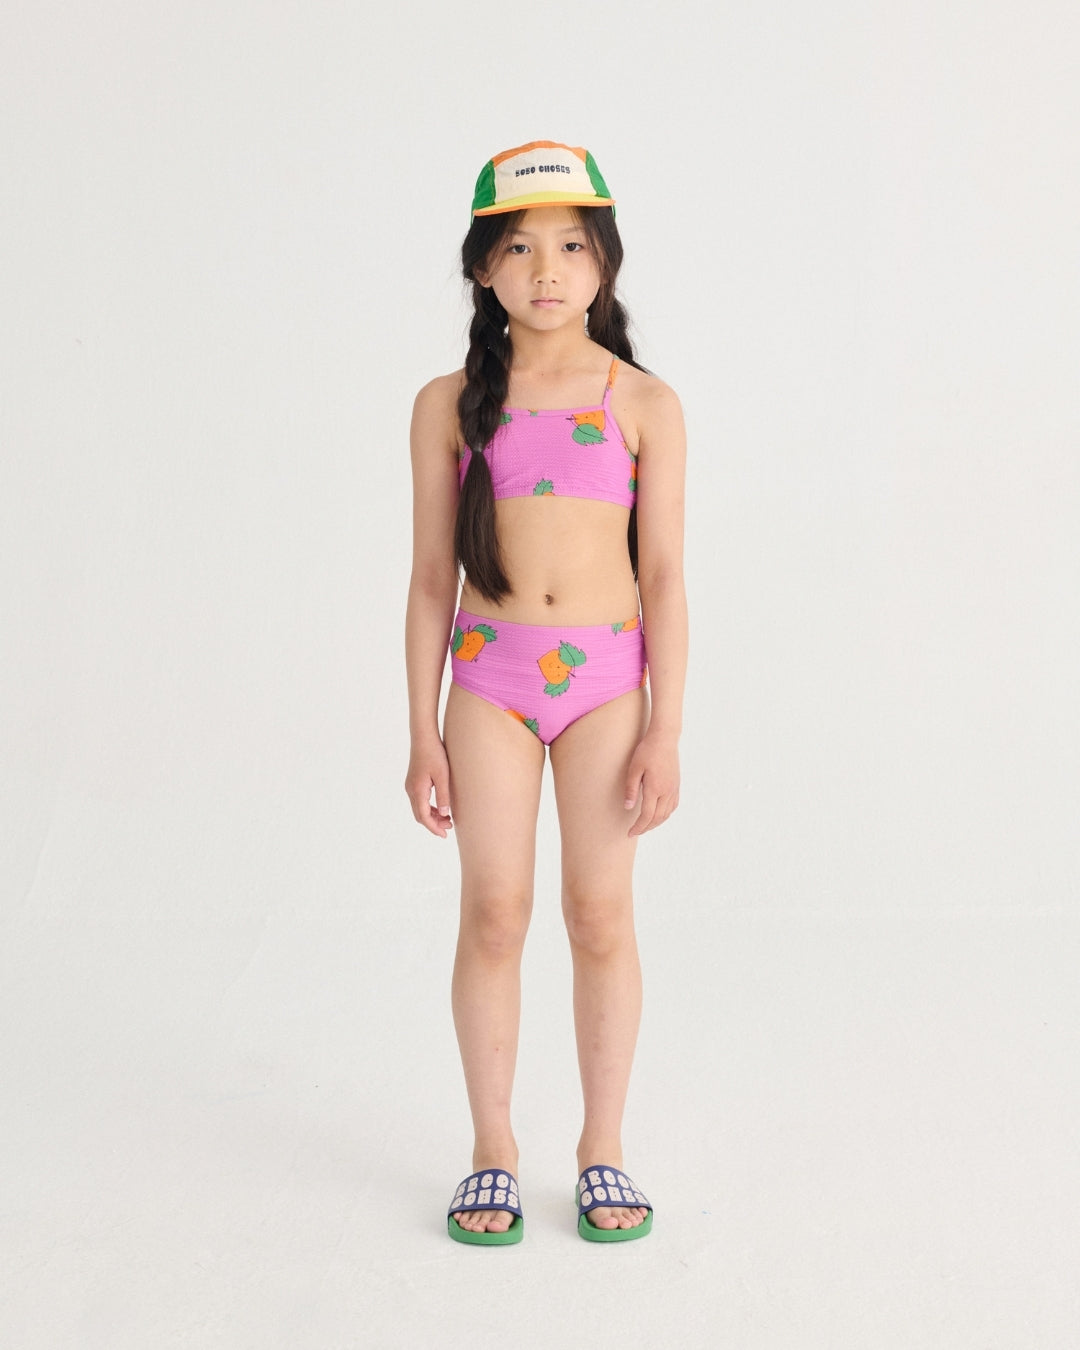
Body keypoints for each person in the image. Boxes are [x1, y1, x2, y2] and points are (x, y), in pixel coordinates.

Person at [404, 141, 687, 1245]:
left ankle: (602, 1146)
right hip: (491, 684)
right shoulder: (447, 405)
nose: (547, 270)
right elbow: (432, 578)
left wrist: (667, 728)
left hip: (608, 687)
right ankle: (494, 1150)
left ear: (604, 261)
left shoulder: (644, 402)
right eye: (519, 249)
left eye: (571, 246)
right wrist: (420, 730)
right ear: (483, 268)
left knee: (600, 914)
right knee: (494, 911)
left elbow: (664, 577)